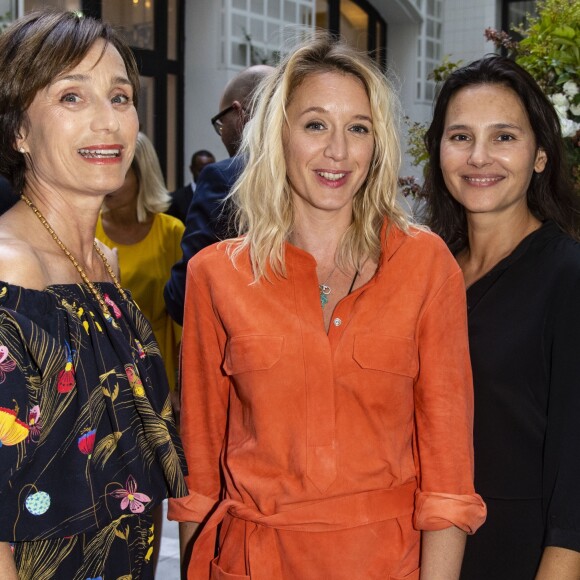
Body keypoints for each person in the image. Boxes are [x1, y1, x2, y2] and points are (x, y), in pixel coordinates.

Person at [168, 36, 486, 579]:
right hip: (253, 563)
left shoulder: (425, 265)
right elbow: (199, 476)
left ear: (376, 144)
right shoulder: (215, 275)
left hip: (387, 565)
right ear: (278, 134)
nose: (338, 151)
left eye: (358, 128)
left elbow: (449, 479)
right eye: (316, 124)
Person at [0, 10, 187, 580]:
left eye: (120, 96)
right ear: (19, 131)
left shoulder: (101, 264)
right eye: (72, 98)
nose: (107, 122)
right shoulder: (13, 266)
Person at [423, 55, 580, 579]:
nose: (479, 157)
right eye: (461, 136)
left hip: (521, 554)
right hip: (424, 550)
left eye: (504, 137)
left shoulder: (568, 274)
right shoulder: (426, 272)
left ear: (540, 155)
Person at [164, 64, 274, 325]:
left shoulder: (225, 177)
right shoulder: (320, 172)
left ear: (239, 113)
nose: (222, 133)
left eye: (220, 124)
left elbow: (184, 296)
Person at [97, 131, 184, 395]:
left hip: (161, 361)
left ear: (142, 175)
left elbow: (183, 312)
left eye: (121, 173)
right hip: (106, 362)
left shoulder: (171, 232)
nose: (109, 182)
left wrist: (183, 377)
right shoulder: (88, 231)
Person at [166, 149, 216, 223]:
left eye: (210, 170)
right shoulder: (176, 199)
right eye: (201, 170)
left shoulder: (223, 196)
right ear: (192, 169)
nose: (206, 174)